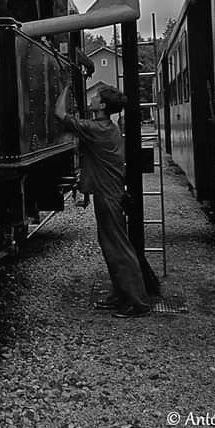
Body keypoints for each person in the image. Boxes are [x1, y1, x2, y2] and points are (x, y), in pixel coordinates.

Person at [54, 82, 151, 318]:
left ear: (103, 105)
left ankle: (137, 301)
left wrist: (66, 85)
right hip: (109, 192)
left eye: (96, 97)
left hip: (108, 195)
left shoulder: (98, 129)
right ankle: (121, 294)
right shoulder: (108, 127)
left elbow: (59, 114)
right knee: (111, 245)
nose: (93, 98)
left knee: (118, 247)